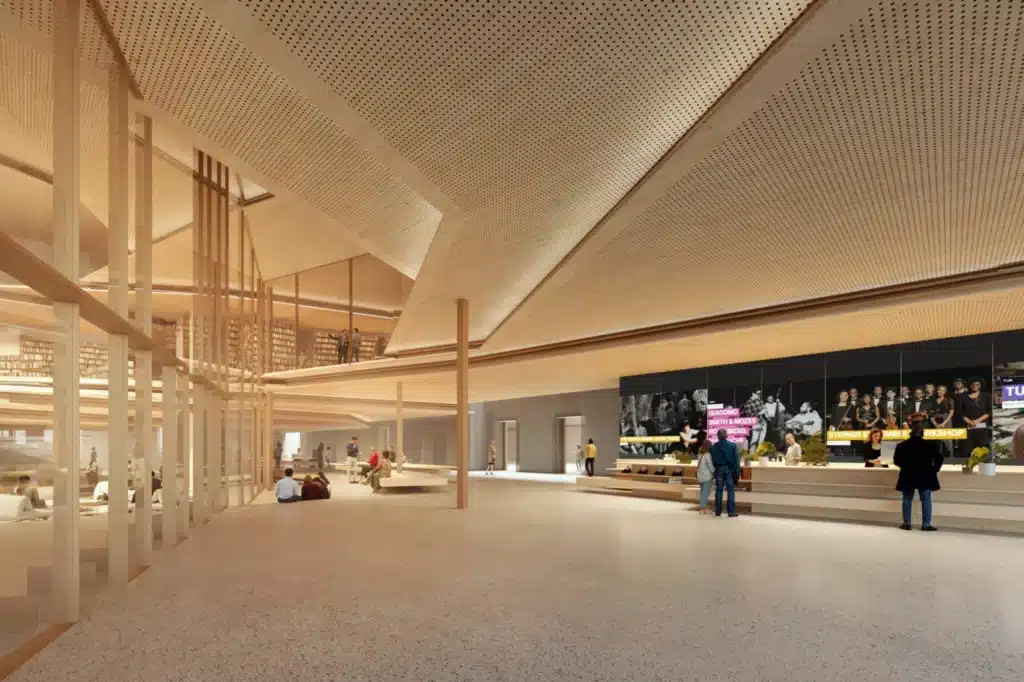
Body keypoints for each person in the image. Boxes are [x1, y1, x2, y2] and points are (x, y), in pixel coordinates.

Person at [893, 423, 943, 531]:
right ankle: (926, 525)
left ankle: (907, 524)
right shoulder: (930, 445)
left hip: (907, 475)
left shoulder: (902, 445)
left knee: (907, 499)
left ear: (911, 433)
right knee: (926, 500)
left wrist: (905, 466)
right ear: (922, 434)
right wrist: (934, 470)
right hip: (925, 475)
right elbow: (939, 458)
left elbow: (896, 460)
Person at [711, 429, 740, 517]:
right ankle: (731, 511)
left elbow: (712, 460)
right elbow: (736, 461)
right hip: (729, 470)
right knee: (730, 490)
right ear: (726, 435)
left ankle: (718, 511)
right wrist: (737, 472)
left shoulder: (714, 447)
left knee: (719, 490)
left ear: (718, 436)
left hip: (718, 470)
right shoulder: (732, 446)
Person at [961, 379, 991, 454]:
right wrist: (969, 421)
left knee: (982, 450)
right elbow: (960, 412)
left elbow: (989, 411)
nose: (975, 386)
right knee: (969, 450)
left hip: (982, 426)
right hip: (968, 426)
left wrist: (977, 421)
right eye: (973, 384)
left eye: (977, 384)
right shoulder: (963, 397)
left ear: (980, 386)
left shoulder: (986, 396)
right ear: (970, 386)